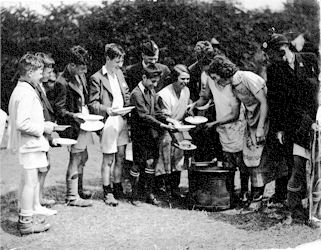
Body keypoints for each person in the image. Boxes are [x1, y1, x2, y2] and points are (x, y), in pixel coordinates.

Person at [263, 32, 319, 223]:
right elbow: (275, 102)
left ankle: (313, 208)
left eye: (277, 53)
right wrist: (278, 128)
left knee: (315, 167)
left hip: (314, 120)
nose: (275, 58)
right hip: (292, 123)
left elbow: (317, 90)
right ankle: (294, 209)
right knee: (295, 165)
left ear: (285, 48)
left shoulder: (310, 60)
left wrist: (316, 118)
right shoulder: (274, 70)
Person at [207, 55, 269, 210]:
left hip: (263, 121)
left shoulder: (247, 77)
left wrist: (261, 127)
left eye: (216, 77)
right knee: (251, 161)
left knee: (258, 161)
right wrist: (215, 123)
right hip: (251, 123)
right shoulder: (233, 87)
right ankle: (254, 197)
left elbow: (264, 102)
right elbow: (234, 114)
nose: (216, 82)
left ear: (223, 71)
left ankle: (258, 199)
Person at [7, 53, 56, 235]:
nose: (42, 74)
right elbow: (22, 123)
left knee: (29, 182)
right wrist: (44, 127)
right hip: (30, 145)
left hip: (29, 145)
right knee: (30, 183)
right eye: (39, 71)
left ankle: (26, 217)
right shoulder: (26, 92)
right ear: (29, 72)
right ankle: (26, 223)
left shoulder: (23, 89)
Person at [193, 62, 248, 206]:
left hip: (236, 126)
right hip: (222, 126)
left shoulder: (232, 87)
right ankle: (230, 194)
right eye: (212, 78)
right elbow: (205, 97)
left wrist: (215, 123)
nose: (215, 81)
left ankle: (244, 193)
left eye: (216, 77)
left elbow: (235, 114)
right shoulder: (211, 80)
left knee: (241, 163)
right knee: (228, 162)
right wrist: (194, 106)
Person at [89, 43, 130, 206]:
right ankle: (107, 192)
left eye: (121, 61)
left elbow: (125, 93)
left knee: (121, 156)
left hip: (122, 120)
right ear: (107, 58)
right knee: (108, 158)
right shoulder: (96, 78)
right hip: (109, 121)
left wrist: (128, 108)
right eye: (116, 62)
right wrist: (108, 110)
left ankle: (118, 187)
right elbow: (93, 103)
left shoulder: (119, 73)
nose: (120, 65)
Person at [129, 65, 176, 206]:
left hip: (151, 134)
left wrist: (169, 119)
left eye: (156, 82)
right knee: (138, 164)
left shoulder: (152, 90)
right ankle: (134, 194)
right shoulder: (136, 94)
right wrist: (162, 125)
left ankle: (148, 193)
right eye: (152, 81)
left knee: (151, 162)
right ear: (144, 77)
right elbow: (144, 116)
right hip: (140, 135)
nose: (155, 84)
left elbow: (157, 111)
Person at [54, 46, 93, 207]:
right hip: (72, 126)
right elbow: (59, 110)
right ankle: (72, 196)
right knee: (75, 158)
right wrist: (74, 116)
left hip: (84, 124)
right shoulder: (61, 83)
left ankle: (79, 189)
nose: (84, 71)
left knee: (84, 157)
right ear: (71, 65)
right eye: (81, 67)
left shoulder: (80, 76)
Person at [155, 64, 193, 200]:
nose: (185, 82)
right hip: (166, 129)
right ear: (174, 78)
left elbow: (186, 105)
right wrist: (171, 123)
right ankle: (162, 189)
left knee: (178, 159)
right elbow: (162, 115)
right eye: (183, 79)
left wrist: (190, 110)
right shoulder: (164, 94)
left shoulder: (186, 91)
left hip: (179, 129)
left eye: (188, 79)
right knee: (165, 158)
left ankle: (175, 188)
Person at [34, 52, 57, 209]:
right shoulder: (34, 88)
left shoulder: (41, 86)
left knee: (46, 166)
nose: (51, 75)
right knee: (40, 168)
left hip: (44, 132)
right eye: (48, 72)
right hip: (38, 133)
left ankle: (39, 197)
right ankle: (36, 200)